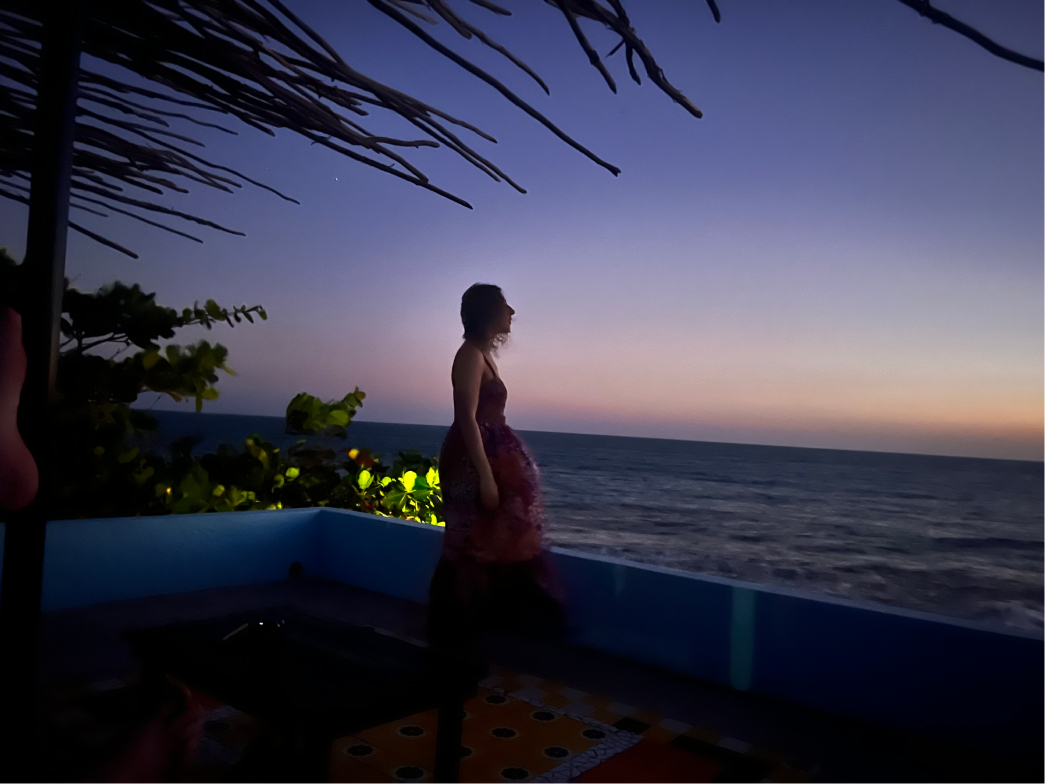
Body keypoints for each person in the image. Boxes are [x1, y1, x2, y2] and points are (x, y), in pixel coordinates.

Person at [428, 284, 565, 654]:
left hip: (488, 456)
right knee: (467, 541)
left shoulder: (485, 358)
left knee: (491, 538)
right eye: (506, 306)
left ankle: (492, 621)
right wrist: (486, 477)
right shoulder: (469, 356)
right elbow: (466, 420)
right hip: (471, 460)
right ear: (489, 311)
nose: (512, 313)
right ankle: (450, 637)